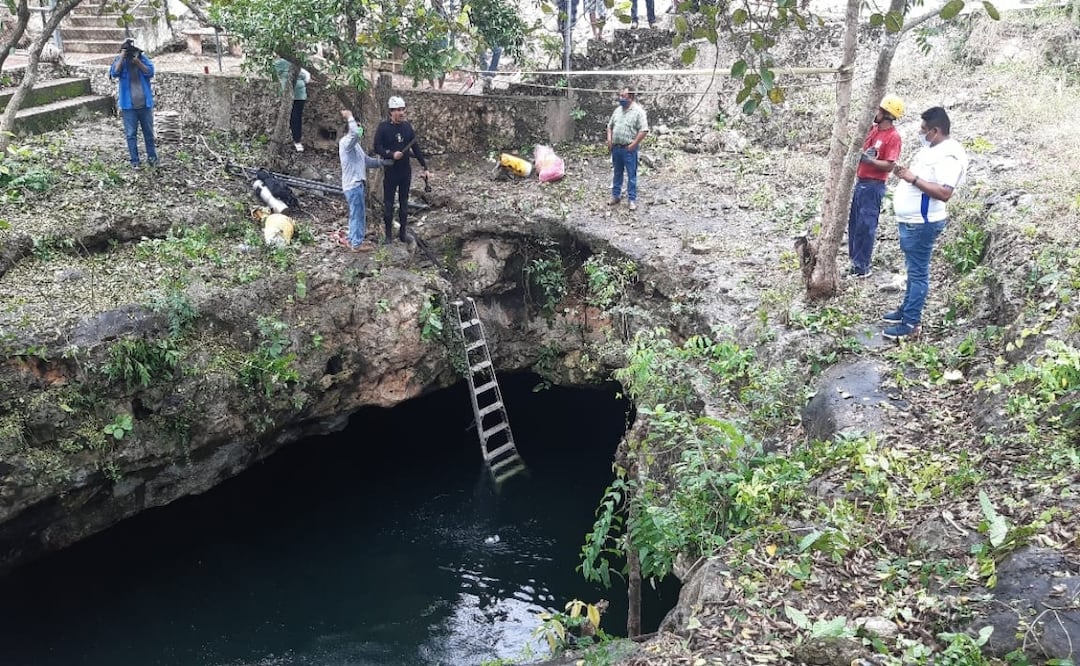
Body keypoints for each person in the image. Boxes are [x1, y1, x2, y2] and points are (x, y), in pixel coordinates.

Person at [883, 106, 968, 340]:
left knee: (918, 273)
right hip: (911, 221)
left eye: (923, 129)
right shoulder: (932, 148)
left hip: (922, 223)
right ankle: (905, 311)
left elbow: (944, 192)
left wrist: (913, 178)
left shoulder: (949, 155)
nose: (921, 133)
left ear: (936, 130)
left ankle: (911, 323)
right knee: (913, 270)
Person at [846, 94, 904, 278]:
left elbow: (889, 164)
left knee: (866, 225)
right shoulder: (873, 130)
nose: (875, 113)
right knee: (855, 224)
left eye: (878, 110)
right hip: (861, 183)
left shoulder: (893, 137)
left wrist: (869, 161)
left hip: (873, 186)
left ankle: (862, 267)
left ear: (887, 114)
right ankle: (854, 262)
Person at [374, 96, 432, 243]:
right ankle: (388, 236)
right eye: (398, 110)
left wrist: (424, 166)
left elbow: (416, 148)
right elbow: (377, 147)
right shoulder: (383, 127)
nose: (401, 113)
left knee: (404, 204)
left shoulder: (407, 127)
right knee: (388, 204)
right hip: (391, 171)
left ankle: (402, 233)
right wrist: (391, 154)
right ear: (391, 112)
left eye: (402, 109)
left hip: (405, 171)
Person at [334, 110, 385, 252]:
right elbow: (355, 133)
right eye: (358, 127)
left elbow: (366, 161)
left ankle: (352, 238)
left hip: (356, 185)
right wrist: (349, 117)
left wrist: (382, 163)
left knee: (356, 213)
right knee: (357, 214)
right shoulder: (346, 143)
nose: (360, 131)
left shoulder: (355, 146)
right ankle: (357, 244)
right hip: (353, 185)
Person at [109, 38, 157, 168]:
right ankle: (135, 161)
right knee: (131, 134)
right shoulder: (121, 61)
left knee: (149, 134)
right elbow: (114, 72)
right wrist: (122, 55)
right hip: (128, 106)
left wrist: (138, 62)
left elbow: (151, 72)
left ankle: (152, 159)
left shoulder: (142, 59)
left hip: (145, 104)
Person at [606, 87, 649, 211]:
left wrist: (634, 144)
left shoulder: (638, 112)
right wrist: (609, 139)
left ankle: (632, 200)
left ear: (631, 97)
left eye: (623, 97)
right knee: (617, 173)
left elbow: (644, 130)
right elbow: (610, 126)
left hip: (629, 149)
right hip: (616, 148)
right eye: (620, 96)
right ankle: (615, 196)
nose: (620, 99)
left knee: (631, 175)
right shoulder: (617, 110)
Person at [273, 58, 310, 152]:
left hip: (300, 95)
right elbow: (273, 74)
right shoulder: (280, 63)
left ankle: (297, 140)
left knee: (296, 118)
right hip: (290, 95)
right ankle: (294, 140)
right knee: (292, 117)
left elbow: (307, 77)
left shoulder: (298, 60)